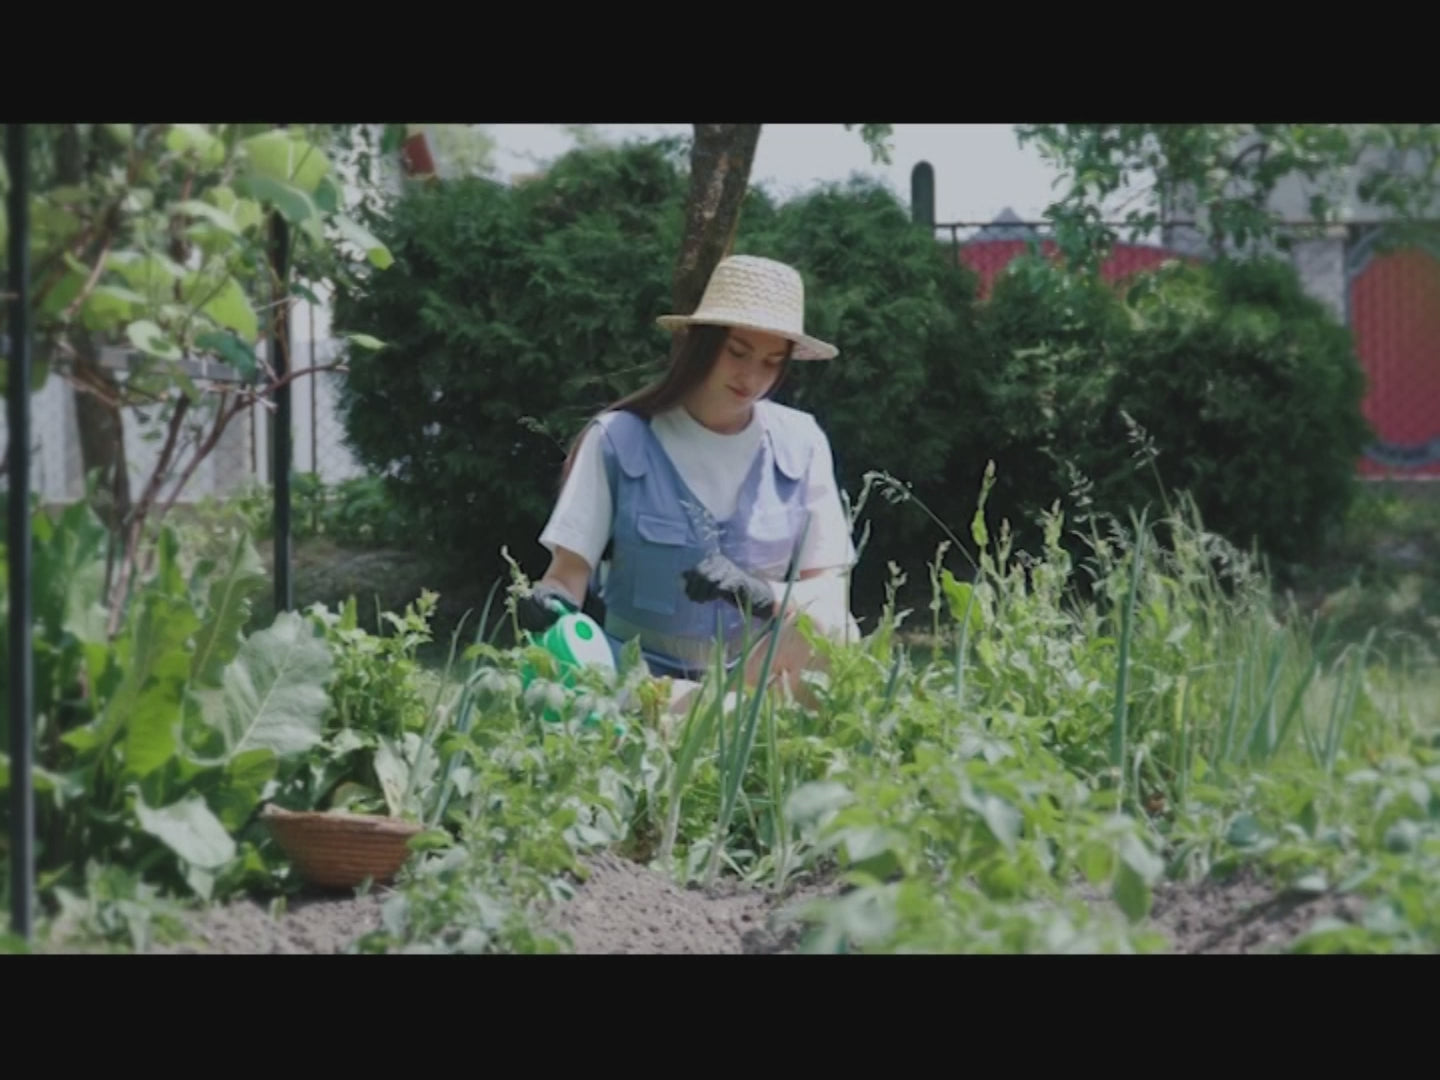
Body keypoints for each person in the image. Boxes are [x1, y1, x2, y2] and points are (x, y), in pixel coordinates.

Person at [518, 254, 859, 711]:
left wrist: (763, 596)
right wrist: (548, 604)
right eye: (737, 353)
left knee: (837, 631)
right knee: (657, 701)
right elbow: (567, 576)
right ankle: (727, 725)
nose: (751, 377)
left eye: (771, 362)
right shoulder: (619, 438)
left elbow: (829, 592)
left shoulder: (802, 441)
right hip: (638, 679)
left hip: (753, 672)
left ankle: (727, 721)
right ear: (701, 343)